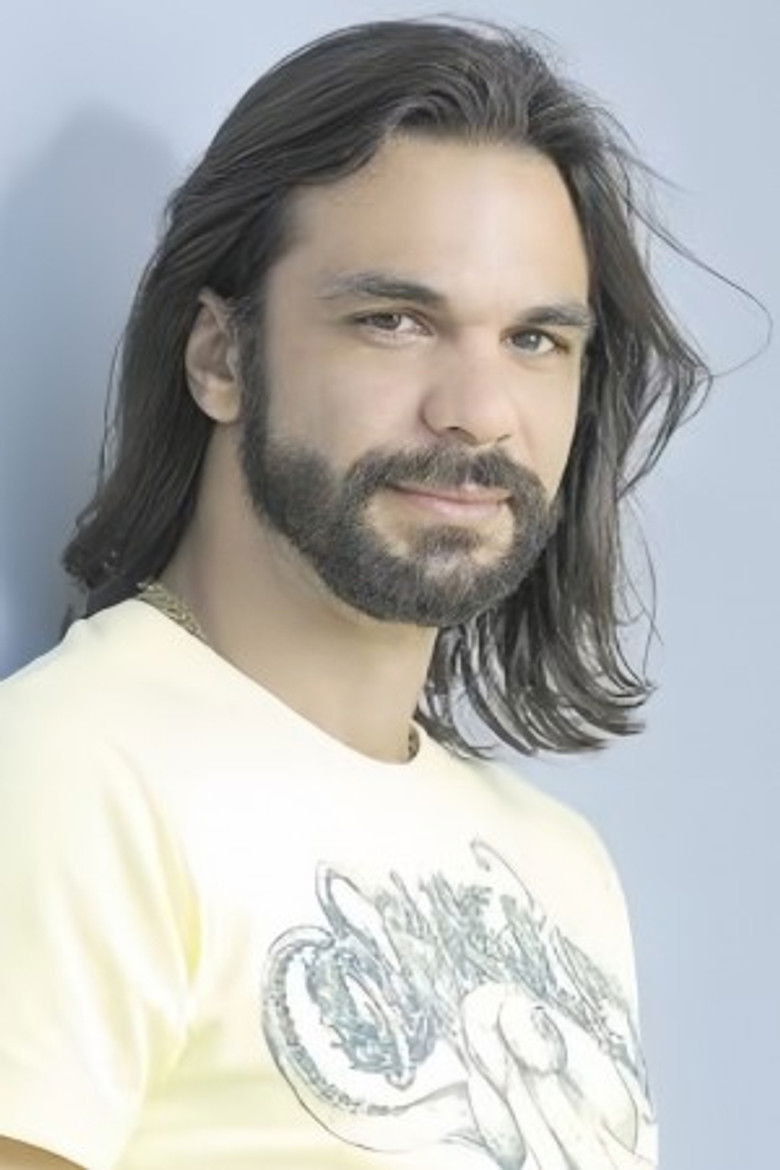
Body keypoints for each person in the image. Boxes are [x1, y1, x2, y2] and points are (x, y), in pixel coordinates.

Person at [0, 15, 712, 1169]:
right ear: (221, 356)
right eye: (396, 322)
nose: (478, 412)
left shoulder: (559, 863)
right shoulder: (72, 773)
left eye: (535, 340)